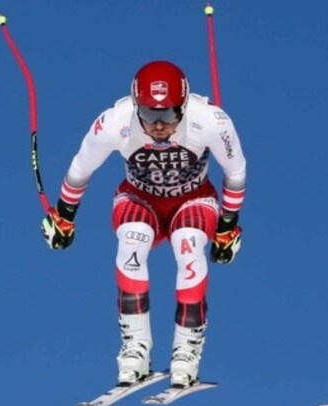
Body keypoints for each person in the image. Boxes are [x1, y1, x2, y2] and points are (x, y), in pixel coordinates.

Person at [41, 60, 247, 387]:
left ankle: (186, 351)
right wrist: (64, 216)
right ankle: (135, 348)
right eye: (150, 115)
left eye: (169, 115)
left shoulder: (210, 120)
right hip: (140, 198)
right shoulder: (115, 122)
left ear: (184, 104)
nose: (160, 125)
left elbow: (235, 171)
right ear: (136, 106)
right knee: (132, 243)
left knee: (189, 245)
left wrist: (228, 224)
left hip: (193, 199)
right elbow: (80, 169)